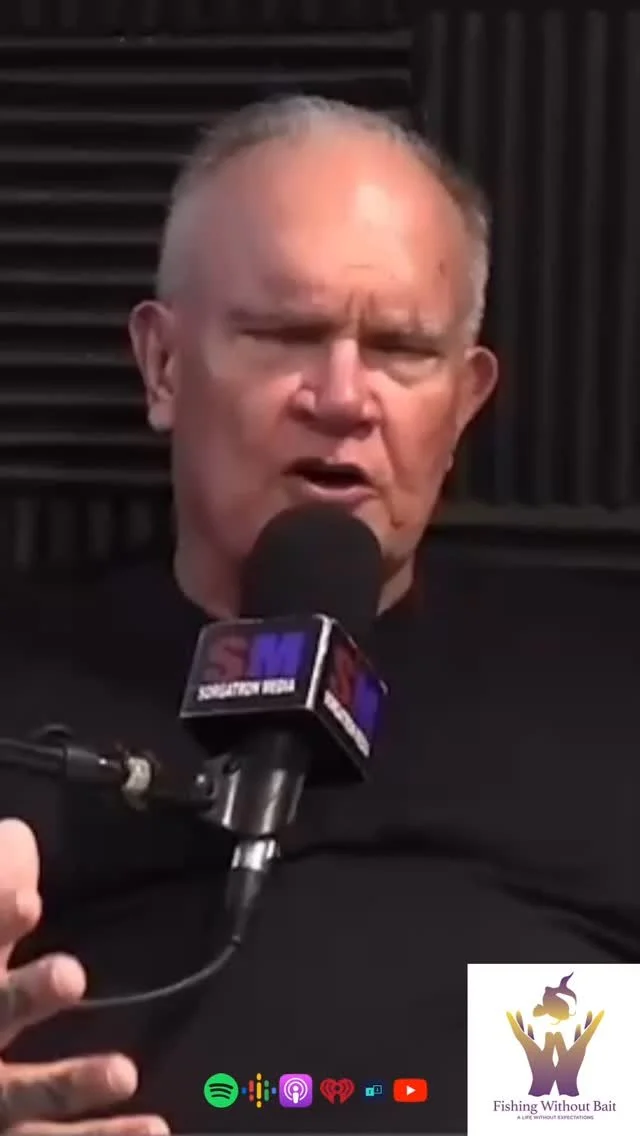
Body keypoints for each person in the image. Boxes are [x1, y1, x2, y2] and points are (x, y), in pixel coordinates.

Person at [0, 94, 638, 1136]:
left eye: (401, 348)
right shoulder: (23, 692)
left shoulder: (610, 689)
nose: (343, 397)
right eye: (284, 333)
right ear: (164, 366)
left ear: (464, 401)